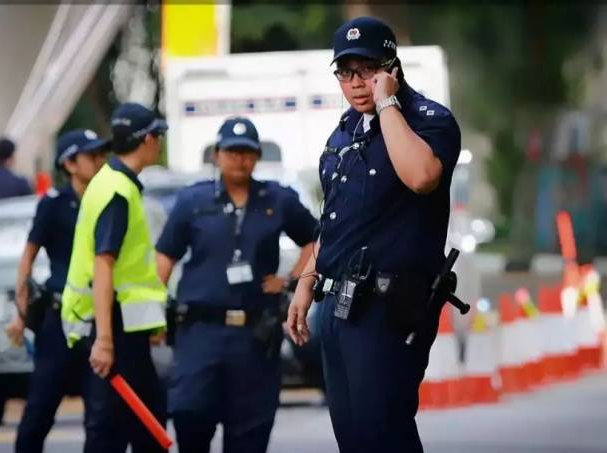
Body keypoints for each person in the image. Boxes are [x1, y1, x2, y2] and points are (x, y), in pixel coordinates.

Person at [286, 17, 462, 453]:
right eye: (346, 73)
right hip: (338, 306)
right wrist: (306, 283)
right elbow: (335, 220)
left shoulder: (427, 120)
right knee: (353, 436)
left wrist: (387, 104)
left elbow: (421, 177)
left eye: (367, 70)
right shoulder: (345, 131)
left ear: (391, 67)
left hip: (388, 307)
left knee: (383, 430)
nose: (356, 83)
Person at [155, 117, 318, 453]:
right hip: (200, 331)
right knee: (190, 415)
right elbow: (164, 259)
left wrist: (292, 281)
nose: (239, 159)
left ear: (257, 156)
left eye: (247, 152)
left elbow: (316, 240)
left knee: (250, 431)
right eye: (231, 152)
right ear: (217, 154)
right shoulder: (192, 201)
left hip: (255, 335)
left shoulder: (277, 199)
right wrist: (152, 313)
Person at [61, 102, 169, 453]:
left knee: (138, 426)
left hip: (121, 328)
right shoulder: (117, 192)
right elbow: (103, 264)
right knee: (118, 430)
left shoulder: (109, 182)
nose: (160, 143)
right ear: (148, 140)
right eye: (158, 136)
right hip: (114, 329)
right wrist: (105, 341)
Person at [6, 129, 109, 452]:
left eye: (100, 154)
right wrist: (20, 315)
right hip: (59, 320)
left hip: (99, 321)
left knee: (101, 413)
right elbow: (27, 259)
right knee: (41, 406)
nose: (99, 161)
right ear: (70, 164)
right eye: (91, 156)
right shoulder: (54, 204)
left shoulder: (109, 201)